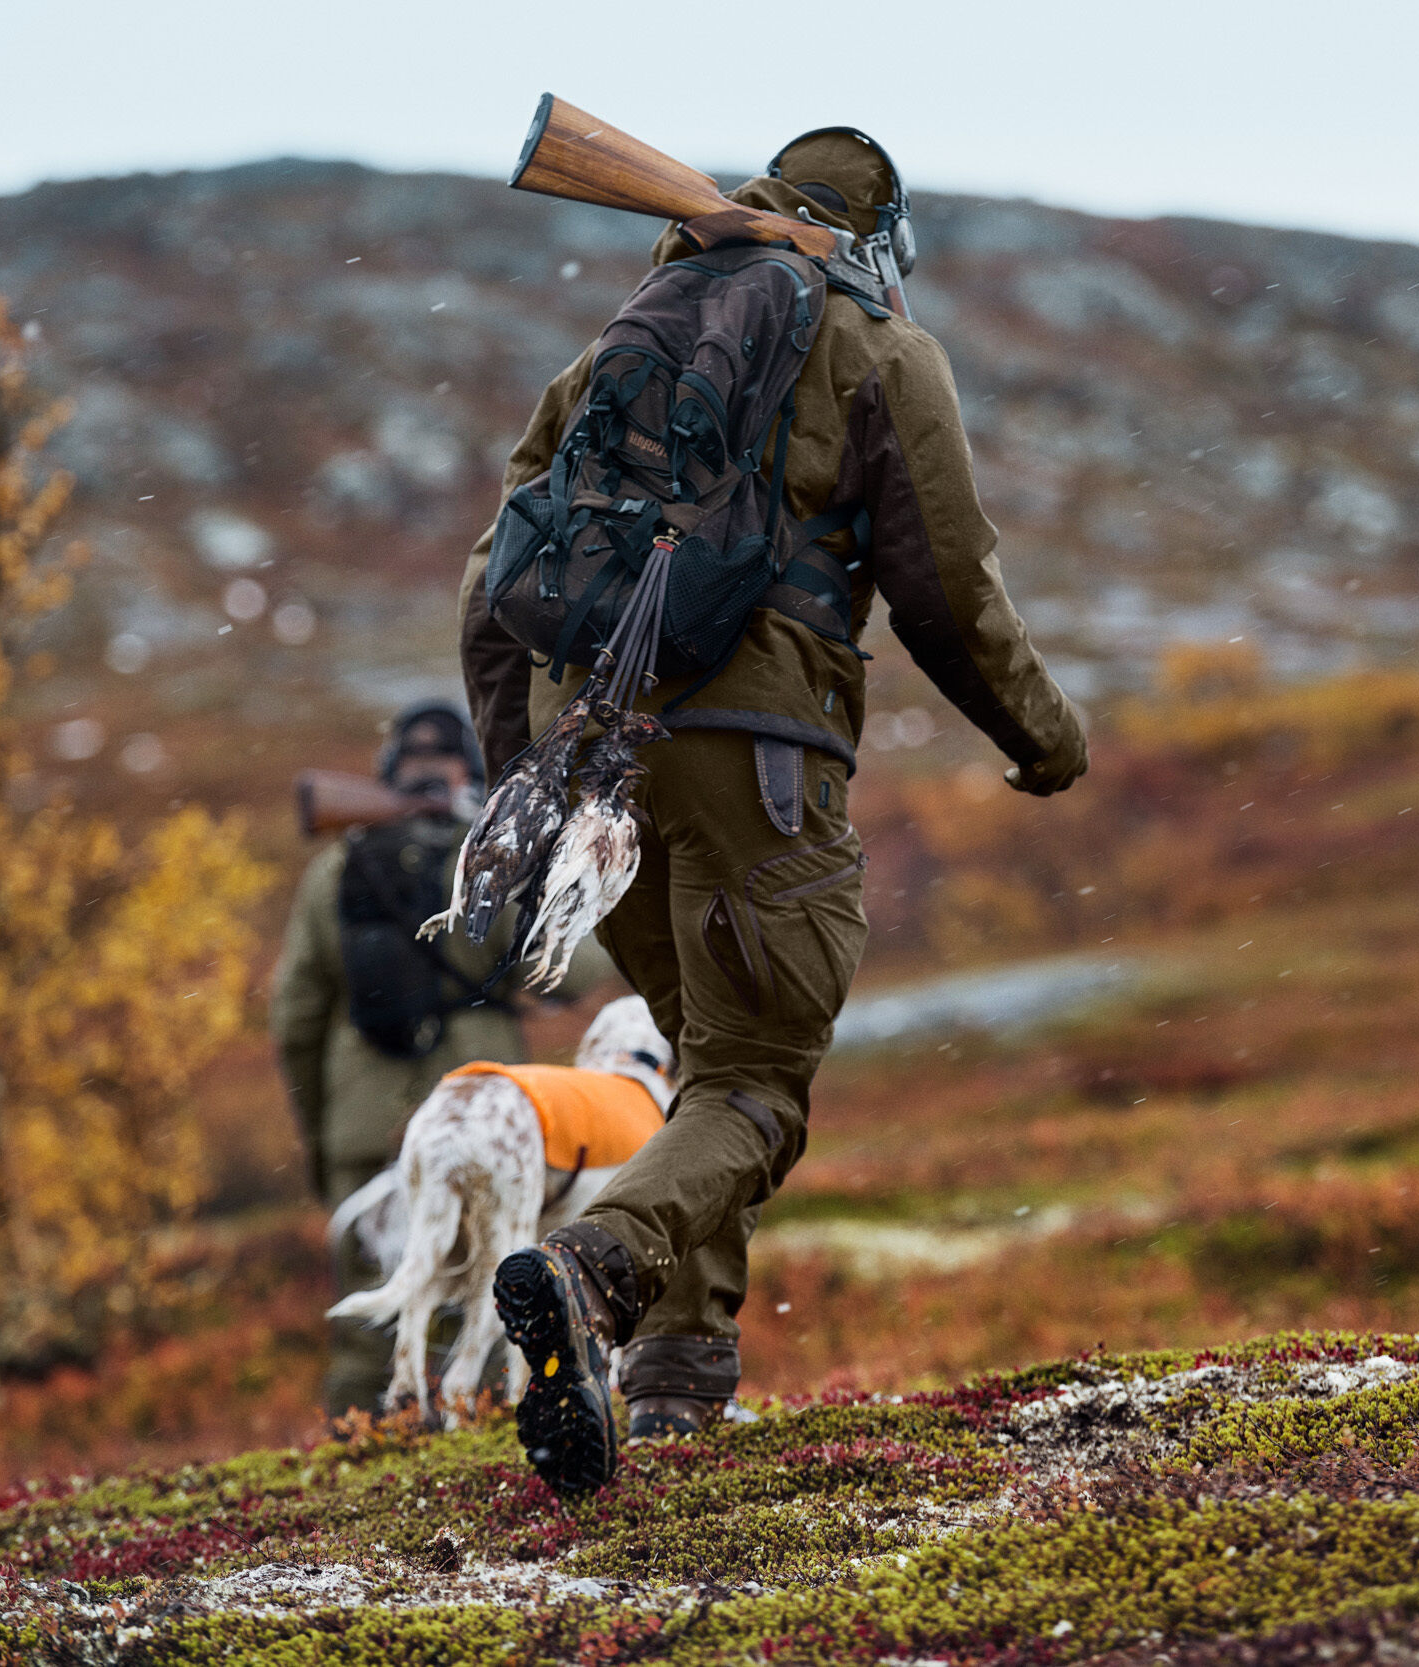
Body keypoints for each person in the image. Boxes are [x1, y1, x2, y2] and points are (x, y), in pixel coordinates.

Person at [458, 129, 1088, 1487]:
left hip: (597, 772)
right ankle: (592, 1267)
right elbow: (947, 588)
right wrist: (1045, 740)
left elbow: (491, 577)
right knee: (752, 1083)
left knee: (703, 1070)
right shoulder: (881, 350)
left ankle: (677, 1389)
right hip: (760, 761)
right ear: (877, 239)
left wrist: (528, 771)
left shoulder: (619, 345)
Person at [270, 698, 609, 1418]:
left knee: (370, 1330)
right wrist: (525, 853)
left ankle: (351, 1493)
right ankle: (480, 1487)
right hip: (476, 1129)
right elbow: (577, 971)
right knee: (483, 1317)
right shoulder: (489, 856)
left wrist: (326, 1139)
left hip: (364, 1134)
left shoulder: (335, 870)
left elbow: (296, 1020)